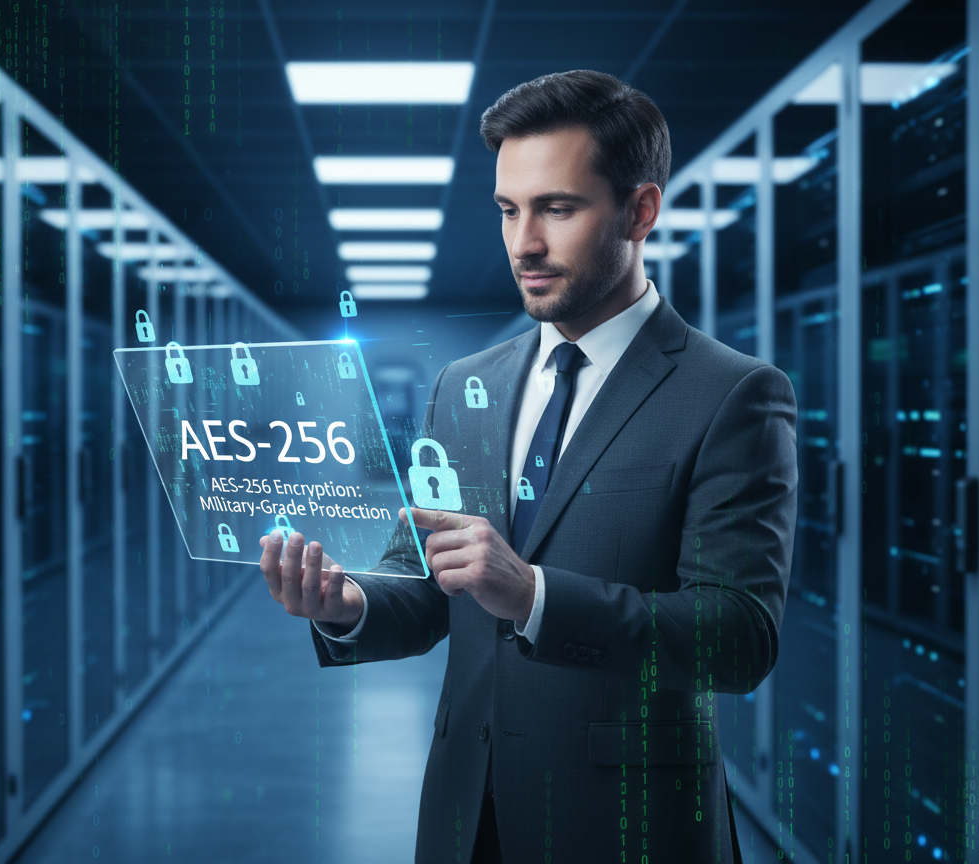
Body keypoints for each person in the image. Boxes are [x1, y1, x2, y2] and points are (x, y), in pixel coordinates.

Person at [258, 69, 796, 864]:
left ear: (640, 210)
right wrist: (348, 605)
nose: (524, 243)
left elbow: (738, 638)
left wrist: (536, 595)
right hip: (465, 815)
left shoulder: (732, 394)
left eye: (558, 208)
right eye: (509, 210)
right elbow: (431, 584)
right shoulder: (465, 386)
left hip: (627, 825)